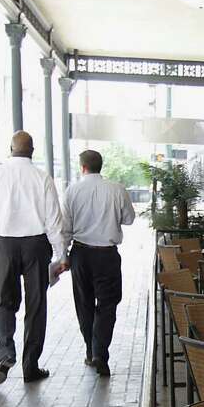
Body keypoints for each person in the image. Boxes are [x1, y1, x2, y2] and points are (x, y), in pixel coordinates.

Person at [0, 131, 66, 385]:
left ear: (10, 148)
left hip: (4, 245)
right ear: (32, 150)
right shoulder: (42, 178)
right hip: (36, 246)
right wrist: (61, 254)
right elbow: (53, 220)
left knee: (4, 302)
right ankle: (31, 366)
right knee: (36, 305)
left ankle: (5, 353)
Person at [62, 149, 135, 377]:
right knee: (108, 304)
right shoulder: (117, 189)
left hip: (81, 254)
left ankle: (90, 349)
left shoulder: (71, 191)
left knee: (84, 303)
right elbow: (129, 219)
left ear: (82, 167)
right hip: (107, 255)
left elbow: (65, 227)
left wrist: (63, 257)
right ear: (100, 166)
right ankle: (100, 353)